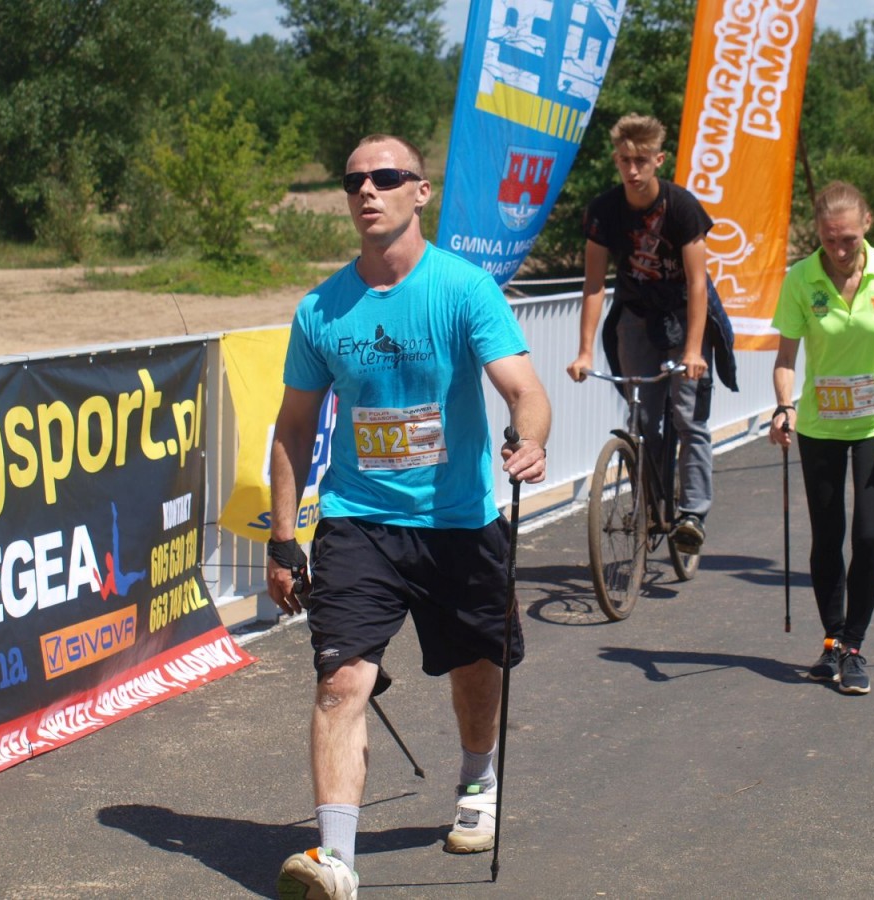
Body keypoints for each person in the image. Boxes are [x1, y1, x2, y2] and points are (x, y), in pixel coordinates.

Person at [266, 133, 551, 899]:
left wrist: (529, 438)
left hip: (459, 520)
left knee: (477, 666)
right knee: (340, 681)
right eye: (354, 180)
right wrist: (284, 540)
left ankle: (478, 780)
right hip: (358, 521)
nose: (368, 190)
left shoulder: (464, 289)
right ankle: (335, 861)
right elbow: (293, 429)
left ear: (420, 191)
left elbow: (524, 389)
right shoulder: (320, 309)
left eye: (387, 177)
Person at [768, 181, 874, 695]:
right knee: (827, 538)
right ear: (818, 232)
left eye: (849, 240)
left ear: (867, 226)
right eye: (830, 240)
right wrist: (784, 407)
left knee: (869, 536)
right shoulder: (801, 279)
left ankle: (854, 646)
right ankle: (833, 639)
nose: (839, 251)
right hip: (820, 426)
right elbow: (785, 358)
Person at [565, 113, 737, 554]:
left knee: (688, 418)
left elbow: (698, 284)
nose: (633, 169)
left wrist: (695, 350)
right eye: (625, 160)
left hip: (684, 316)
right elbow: (593, 285)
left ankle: (692, 514)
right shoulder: (604, 210)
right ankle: (651, 505)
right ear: (616, 161)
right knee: (642, 422)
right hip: (636, 317)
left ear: (659, 160)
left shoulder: (681, 207)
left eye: (641, 160)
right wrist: (584, 352)